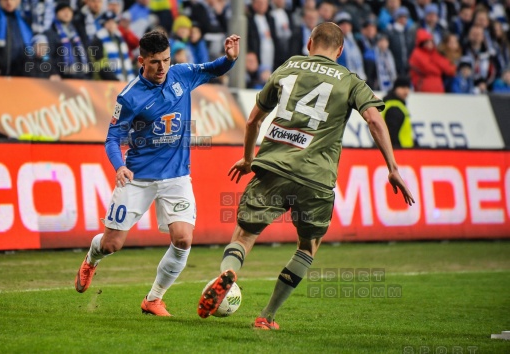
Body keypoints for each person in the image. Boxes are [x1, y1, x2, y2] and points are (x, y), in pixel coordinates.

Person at [197, 22, 414, 330]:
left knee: (244, 236)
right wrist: (392, 167)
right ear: (340, 51)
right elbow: (375, 121)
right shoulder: (351, 81)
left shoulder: (288, 67)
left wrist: (248, 158)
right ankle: (267, 316)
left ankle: (229, 273)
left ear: (310, 42)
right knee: (307, 246)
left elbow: (252, 121)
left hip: (273, 166)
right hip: (316, 177)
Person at [74, 30, 240, 317]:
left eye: (165, 60)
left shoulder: (182, 74)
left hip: (176, 176)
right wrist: (120, 166)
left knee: (183, 239)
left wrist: (229, 58)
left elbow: (215, 69)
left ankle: (153, 299)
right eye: (155, 62)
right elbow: (113, 139)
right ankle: (92, 258)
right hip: (137, 177)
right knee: (112, 244)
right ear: (141, 61)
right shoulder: (129, 97)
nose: (162, 68)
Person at [382, 76, 416, 148]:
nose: (406, 91)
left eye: (408, 88)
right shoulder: (394, 108)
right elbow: (392, 135)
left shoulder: (393, 104)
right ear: (395, 88)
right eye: (403, 87)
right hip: (400, 152)